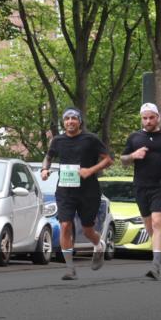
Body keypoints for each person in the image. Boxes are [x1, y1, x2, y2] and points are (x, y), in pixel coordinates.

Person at [41, 107, 113, 280]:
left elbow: (108, 159)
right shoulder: (58, 140)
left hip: (88, 191)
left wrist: (90, 170)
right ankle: (69, 268)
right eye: (67, 119)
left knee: (88, 230)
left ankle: (98, 244)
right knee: (65, 225)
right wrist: (45, 169)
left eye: (74, 118)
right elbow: (49, 157)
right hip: (65, 190)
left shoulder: (91, 139)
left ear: (79, 121)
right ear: (63, 122)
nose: (70, 122)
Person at [120, 103, 161, 280]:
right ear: (141, 118)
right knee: (149, 227)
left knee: (156, 222)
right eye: (145, 118)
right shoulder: (134, 138)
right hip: (141, 186)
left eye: (151, 117)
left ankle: (155, 266)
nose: (148, 121)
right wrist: (133, 156)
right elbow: (123, 159)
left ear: (158, 117)